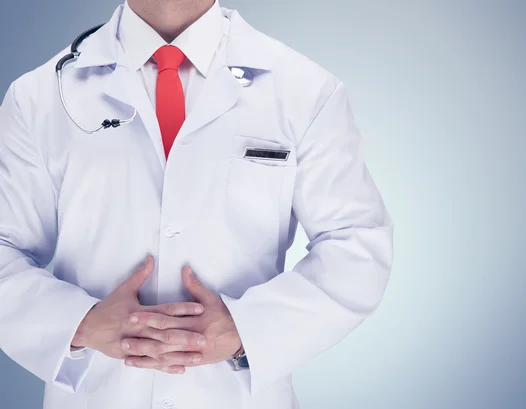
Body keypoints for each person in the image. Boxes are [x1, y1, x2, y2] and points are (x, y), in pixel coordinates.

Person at [0, 0, 394, 408]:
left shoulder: (306, 91)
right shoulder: (40, 96)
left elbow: (356, 243)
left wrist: (248, 330)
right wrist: (80, 323)